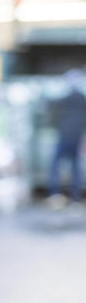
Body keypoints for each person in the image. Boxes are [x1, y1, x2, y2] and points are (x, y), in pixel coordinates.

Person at [46, 69, 86, 207]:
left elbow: (50, 105)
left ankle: (55, 195)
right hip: (76, 137)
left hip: (65, 137)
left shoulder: (67, 98)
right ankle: (76, 198)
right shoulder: (82, 99)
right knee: (75, 168)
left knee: (55, 166)